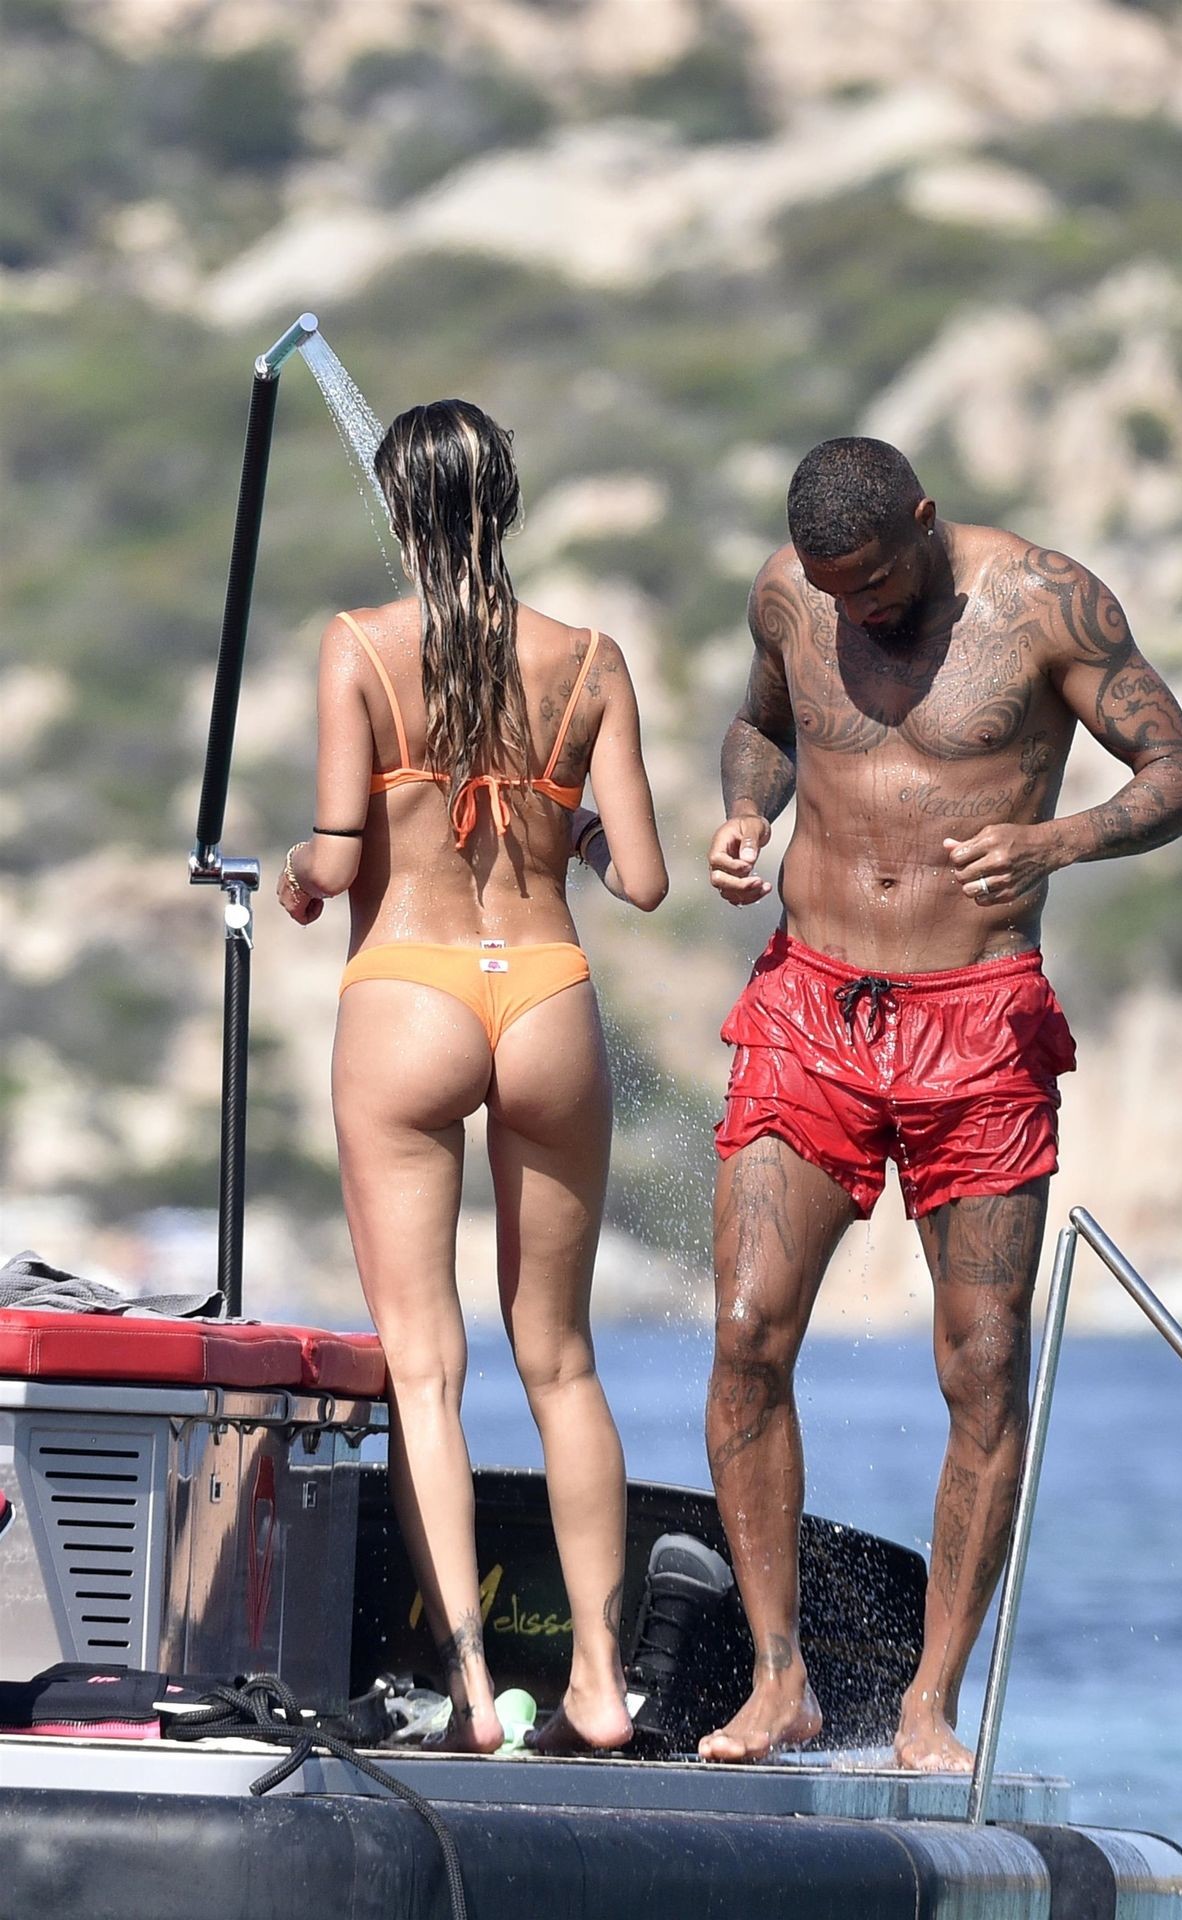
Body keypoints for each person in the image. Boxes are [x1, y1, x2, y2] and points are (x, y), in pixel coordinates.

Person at [700, 436, 1182, 1769]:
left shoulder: (1047, 603)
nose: (861, 612)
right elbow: (761, 729)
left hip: (977, 1024)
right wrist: (747, 815)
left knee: (980, 1362)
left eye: (877, 584)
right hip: (809, 1006)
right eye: (839, 593)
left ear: (924, 522)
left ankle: (927, 1701)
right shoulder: (790, 593)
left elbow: (1181, 775)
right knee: (747, 1332)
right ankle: (778, 1680)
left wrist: (1056, 839)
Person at [276, 399, 667, 1754]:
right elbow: (645, 879)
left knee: (425, 1370)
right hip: (546, 992)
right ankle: (601, 1686)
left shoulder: (360, 647)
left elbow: (337, 858)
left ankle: (466, 1697)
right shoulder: (591, 659)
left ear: (399, 510)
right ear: (508, 504)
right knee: (561, 1361)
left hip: (410, 991)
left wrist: (300, 876)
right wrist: (576, 830)